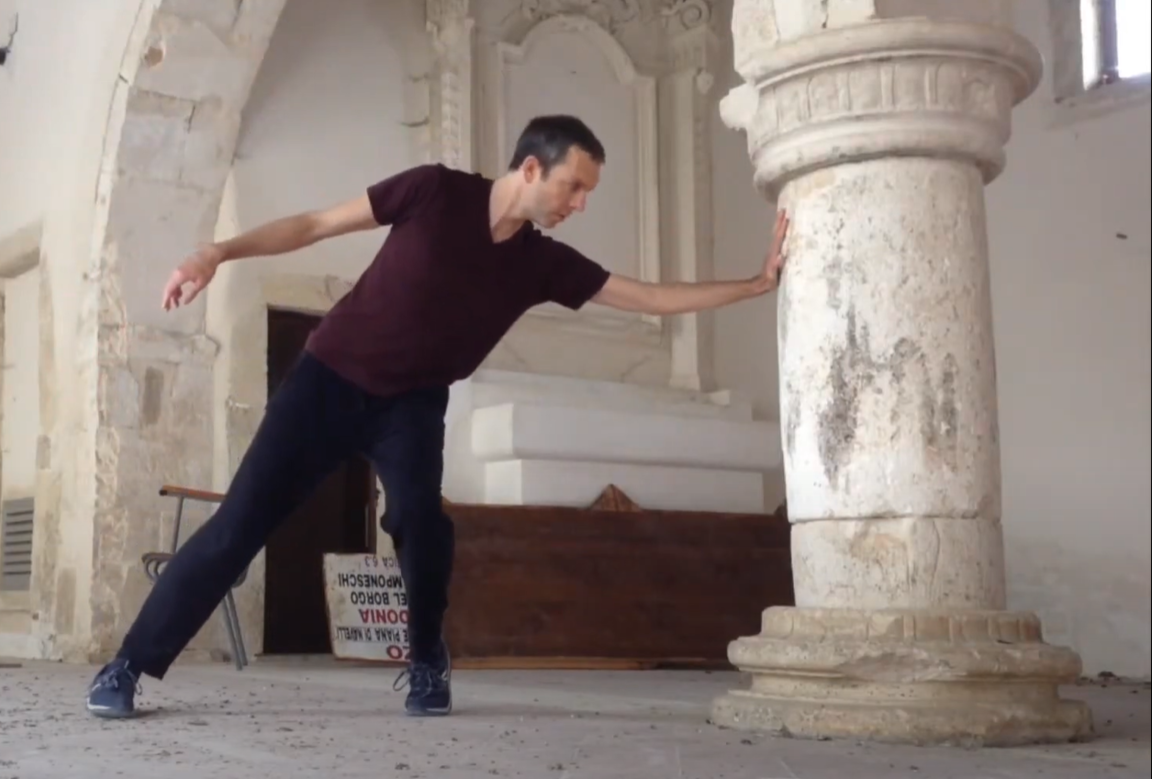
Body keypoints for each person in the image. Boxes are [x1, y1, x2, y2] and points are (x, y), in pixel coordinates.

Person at [86, 114, 789, 720]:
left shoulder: (542, 265)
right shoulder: (433, 191)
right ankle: (127, 667)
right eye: (573, 186)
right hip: (327, 382)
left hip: (413, 404)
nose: (579, 204)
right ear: (531, 166)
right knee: (238, 528)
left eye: (587, 194)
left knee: (422, 521)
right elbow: (313, 224)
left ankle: (427, 662)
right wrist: (216, 251)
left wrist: (755, 286)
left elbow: (647, 297)